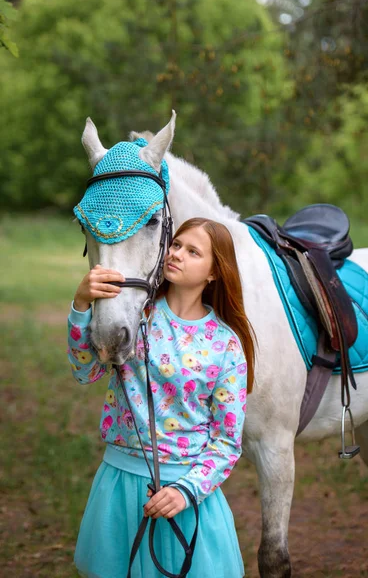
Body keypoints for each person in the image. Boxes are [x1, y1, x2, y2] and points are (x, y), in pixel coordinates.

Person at [68, 217, 256, 578]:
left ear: (214, 273)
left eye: (193, 251)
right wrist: (81, 305)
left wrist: (185, 491)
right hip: (120, 481)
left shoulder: (226, 345)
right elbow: (85, 371)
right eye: (176, 244)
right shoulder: (134, 315)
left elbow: (227, 442)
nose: (177, 254)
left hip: (183, 495)